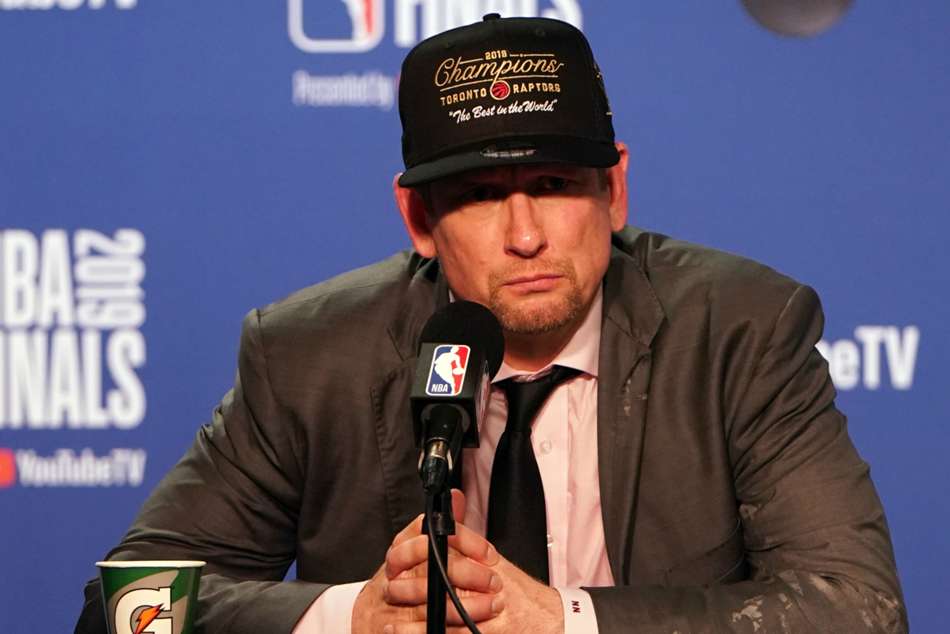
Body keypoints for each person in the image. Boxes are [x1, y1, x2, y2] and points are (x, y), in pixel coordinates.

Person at [76, 14, 907, 634]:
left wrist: (566, 623)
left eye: (553, 184)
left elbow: (856, 608)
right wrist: (352, 617)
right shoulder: (308, 358)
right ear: (420, 219)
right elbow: (122, 605)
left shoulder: (740, 334)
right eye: (478, 196)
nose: (525, 235)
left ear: (614, 192)